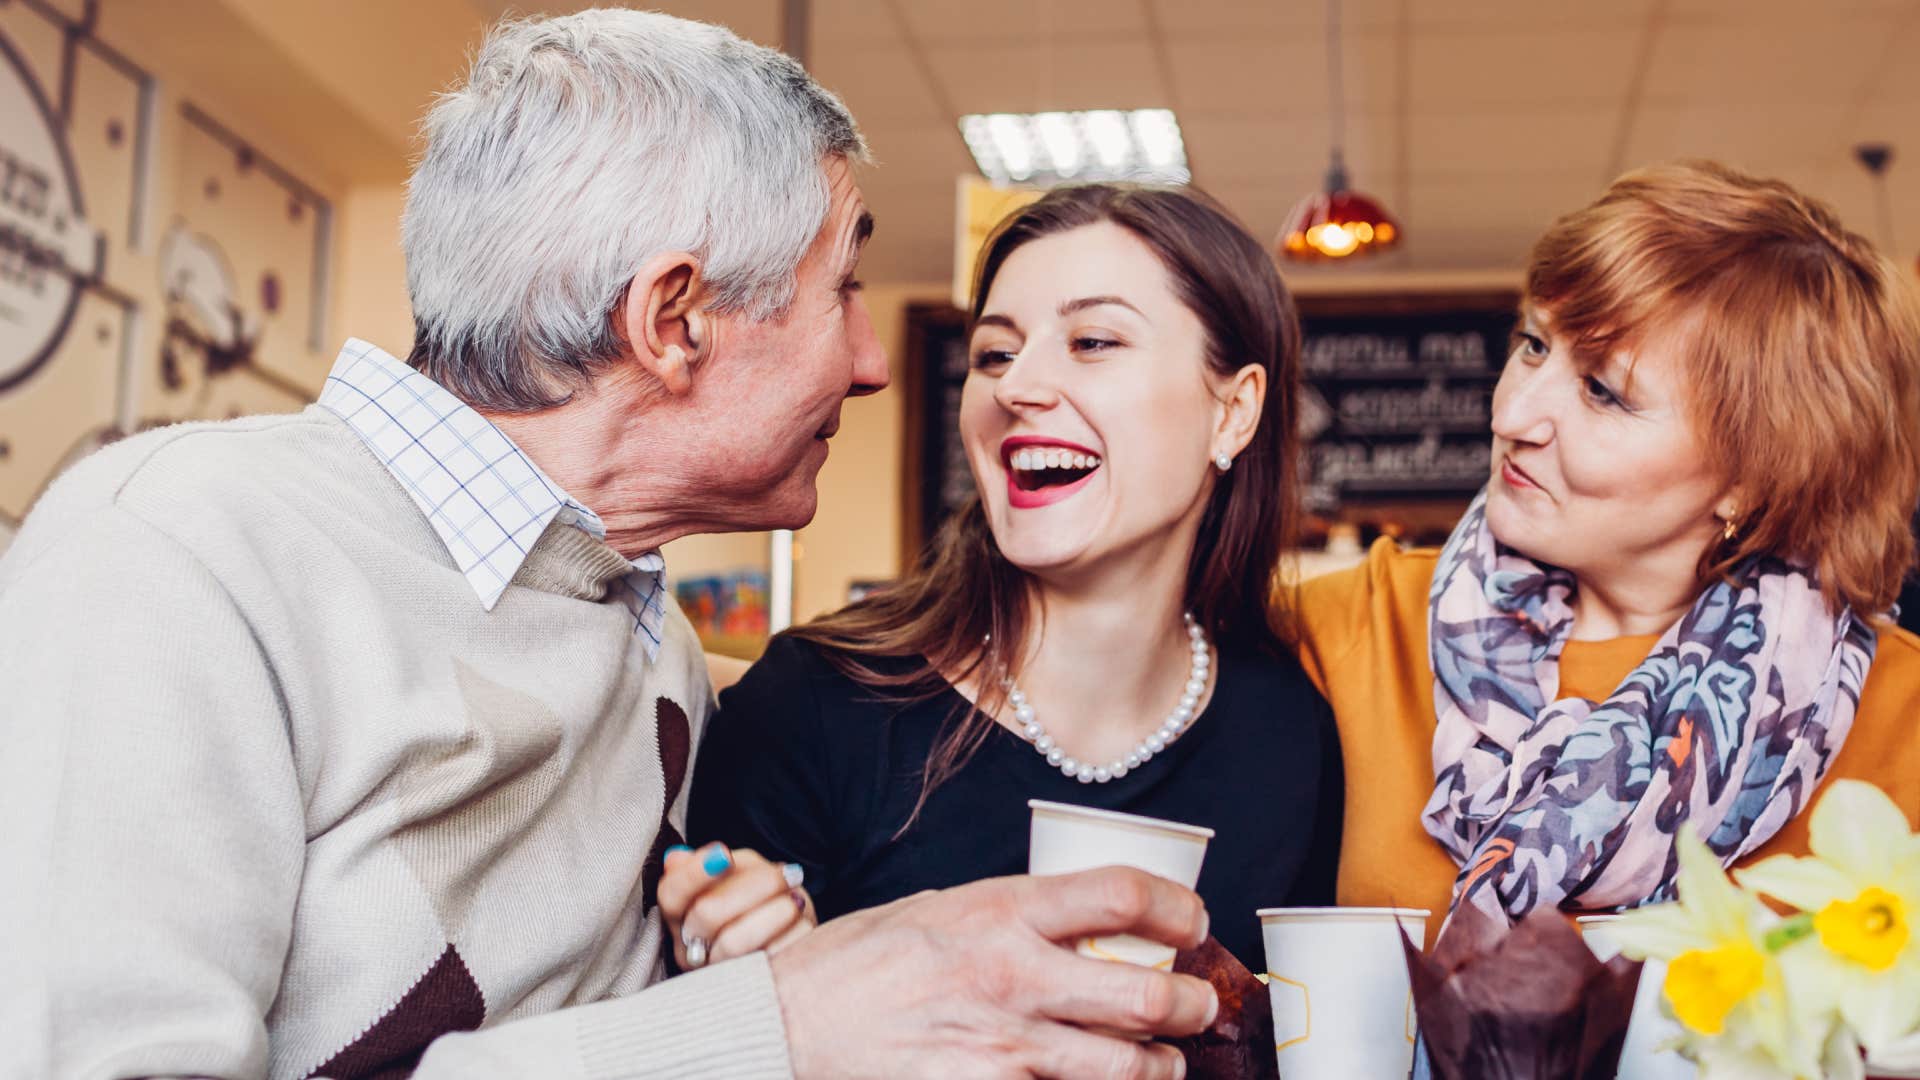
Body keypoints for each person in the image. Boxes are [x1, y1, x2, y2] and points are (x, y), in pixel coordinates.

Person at [0, 11, 1219, 1079]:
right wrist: (775, 1028)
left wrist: (739, 958)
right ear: (672, 320)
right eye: (843, 288)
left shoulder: (650, 647)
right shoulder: (173, 555)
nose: (875, 361)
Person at [685, 183, 1344, 974]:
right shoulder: (815, 707)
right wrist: (767, 979)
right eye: (994, 354)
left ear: (1233, 412)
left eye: (1093, 342)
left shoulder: (1290, 737)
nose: (1016, 388)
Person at [1290, 160, 1920, 944]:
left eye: (1603, 391)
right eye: (1531, 344)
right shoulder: (1367, 618)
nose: (1515, 413)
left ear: (1756, 479)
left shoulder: (1901, 711)